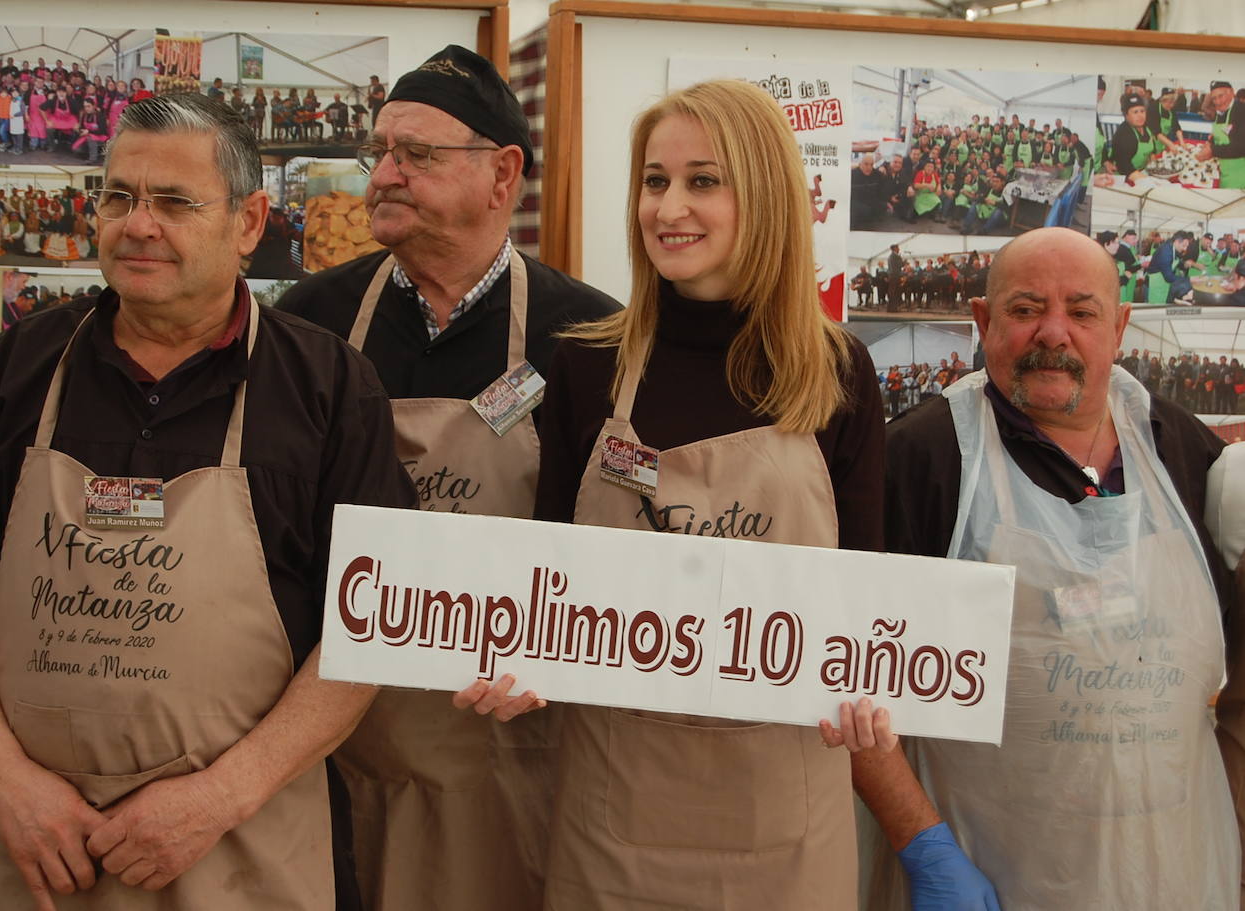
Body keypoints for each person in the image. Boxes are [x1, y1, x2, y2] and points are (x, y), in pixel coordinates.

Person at [0, 92, 416, 910]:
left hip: (237, 846)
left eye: (174, 202)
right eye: (119, 197)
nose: (137, 225)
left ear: (249, 222)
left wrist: (220, 796)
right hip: (32, 848)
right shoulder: (19, 368)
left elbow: (374, 622)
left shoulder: (326, 388)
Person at [509, 77, 884, 910]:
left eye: (702, 180)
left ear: (766, 195)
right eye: (654, 180)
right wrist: (512, 664)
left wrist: (873, 690)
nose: (668, 206)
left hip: (785, 810)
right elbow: (547, 588)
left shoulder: (837, 372)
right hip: (613, 807)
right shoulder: (585, 366)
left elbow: (866, 603)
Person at [277, 45, 620, 911]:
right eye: (380, 152)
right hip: (330, 734)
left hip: (504, 742)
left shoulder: (588, 336)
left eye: (417, 155)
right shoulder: (308, 323)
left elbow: (613, 544)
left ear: (504, 173)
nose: (383, 174)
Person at [852, 227, 1239, 909]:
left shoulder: (1183, 452)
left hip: (1172, 869)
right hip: (990, 871)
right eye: (1026, 309)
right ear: (982, 320)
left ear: (1119, 328)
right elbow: (851, 682)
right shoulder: (924, 458)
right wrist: (922, 844)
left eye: (1082, 312)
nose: (1053, 333)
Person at [1197, 81, 1245, 190]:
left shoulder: (1241, 111)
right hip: (1226, 173)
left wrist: (1212, 150)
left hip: (1241, 177)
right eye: (1214, 98)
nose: (1218, 102)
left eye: (1221, 96)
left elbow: (1242, 146)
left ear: (1231, 93)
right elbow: (1225, 134)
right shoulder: (1221, 112)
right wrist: (1212, 141)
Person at [1110, 91, 1161, 182]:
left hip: (1141, 172)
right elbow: (1124, 166)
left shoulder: (1146, 127)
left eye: (1142, 111)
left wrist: (1154, 169)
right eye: (1135, 112)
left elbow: (1152, 152)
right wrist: (1149, 181)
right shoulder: (1123, 134)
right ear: (1126, 115)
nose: (1140, 115)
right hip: (1125, 178)